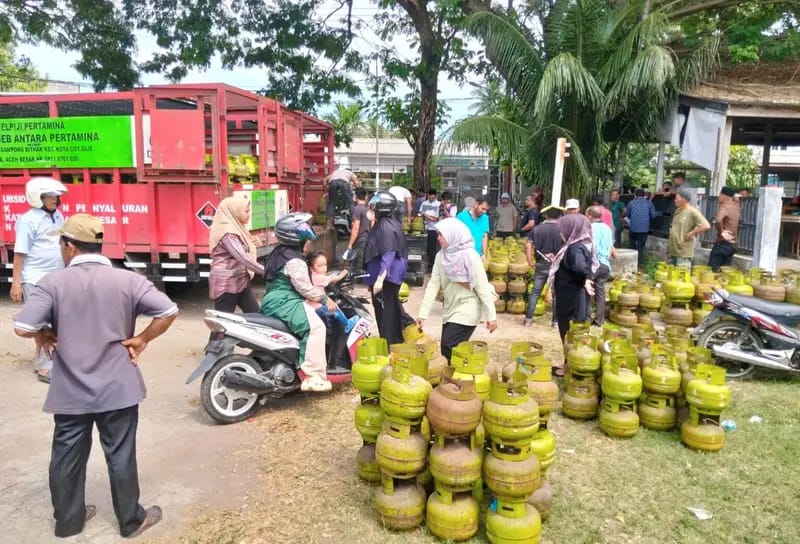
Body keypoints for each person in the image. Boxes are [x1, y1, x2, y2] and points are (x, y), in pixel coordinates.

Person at [13, 213, 178, 538]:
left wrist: (43, 334)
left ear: (70, 247)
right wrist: (142, 339)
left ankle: (68, 521)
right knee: (120, 454)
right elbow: (169, 310)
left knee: (66, 455)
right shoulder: (128, 280)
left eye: (61, 244)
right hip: (118, 388)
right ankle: (131, 521)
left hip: (70, 391)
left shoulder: (53, 283)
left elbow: (22, 326)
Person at [261, 213, 334, 392]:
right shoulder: (294, 260)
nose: (309, 243)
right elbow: (305, 288)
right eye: (306, 240)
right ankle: (313, 375)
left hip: (274, 300)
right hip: (285, 301)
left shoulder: (279, 252)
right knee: (316, 328)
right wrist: (325, 298)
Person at [11, 176, 69, 383]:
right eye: (51, 196)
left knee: (55, 321)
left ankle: (43, 358)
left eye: (56, 196)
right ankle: (45, 369)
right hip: (35, 279)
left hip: (56, 277)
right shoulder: (28, 220)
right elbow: (20, 253)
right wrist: (16, 283)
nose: (55, 200)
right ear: (38, 197)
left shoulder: (58, 216)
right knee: (42, 323)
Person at [417, 218, 497, 361]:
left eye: (441, 235)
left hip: (468, 307)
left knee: (449, 345)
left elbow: (483, 287)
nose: (438, 238)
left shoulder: (470, 256)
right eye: (437, 234)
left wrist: (491, 316)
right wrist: (423, 314)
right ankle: (458, 377)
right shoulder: (441, 256)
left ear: (452, 234)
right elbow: (433, 284)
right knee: (450, 349)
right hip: (450, 308)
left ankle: (462, 376)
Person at [364, 191, 409, 345]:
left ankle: (390, 344)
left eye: (373, 207)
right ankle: (394, 339)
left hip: (387, 279)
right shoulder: (385, 223)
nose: (370, 210)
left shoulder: (386, 227)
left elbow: (388, 253)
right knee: (392, 311)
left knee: (387, 315)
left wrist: (379, 280)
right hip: (386, 278)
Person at [208, 196, 264, 313]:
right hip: (226, 283)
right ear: (235, 211)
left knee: (255, 314)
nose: (249, 214)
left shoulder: (237, 227)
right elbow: (243, 258)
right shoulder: (227, 232)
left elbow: (244, 246)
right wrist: (266, 271)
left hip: (240, 280)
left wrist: (253, 241)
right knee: (223, 323)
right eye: (246, 211)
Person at [548, 214, 595, 346]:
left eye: (563, 229)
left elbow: (580, 268)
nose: (561, 232)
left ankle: (569, 364)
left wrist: (584, 280)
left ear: (572, 228)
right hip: (571, 297)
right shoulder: (577, 246)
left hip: (572, 300)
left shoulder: (575, 248)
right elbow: (573, 266)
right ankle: (567, 363)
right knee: (569, 335)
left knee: (570, 333)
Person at [523, 206, 563, 327]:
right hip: (557, 265)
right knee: (556, 294)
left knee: (535, 292)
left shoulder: (537, 229)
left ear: (546, 215)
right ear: (560, 216)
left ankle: (528, 320)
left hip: (541, 264)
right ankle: (555, 322)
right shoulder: (562, 229)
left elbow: (528, 246)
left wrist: (530, 261)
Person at [307, 252, 359, 333]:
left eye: (325, 265)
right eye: (320, 266)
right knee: (335, 308)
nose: (324, 268)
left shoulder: (311, 276)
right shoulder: (319, 277)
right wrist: (344, 273)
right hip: (318, 307)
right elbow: (336, 278)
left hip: (312, 307)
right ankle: (346, 323)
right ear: (311, 268)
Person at [667, 186, 710, 270]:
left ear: (684, 199)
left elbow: (706, 225)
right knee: (670, 279)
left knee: (681, 279)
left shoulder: (692, 211)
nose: (674, 200)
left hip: (683, 253)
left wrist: (692, 233)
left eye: (677, 198)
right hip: (672, 251)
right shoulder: (677, 211)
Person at [588, 206, 613, 326]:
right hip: (605, 264)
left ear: (590, 216)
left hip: (594, 264)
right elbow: (610, 248)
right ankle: (599, 320)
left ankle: (586, 317)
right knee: (600, 293)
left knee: (587, 290)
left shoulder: (590, 228)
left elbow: (589, 247)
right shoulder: (608, 229)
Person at [708, 186, 740, 272]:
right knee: (724, 273)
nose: (718, 197)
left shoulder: (725, 206)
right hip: (732, 245)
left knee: (712, 271)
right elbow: (737, 198)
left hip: (722, 244)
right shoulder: (736, 206)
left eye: (720, 195)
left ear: (724, 196)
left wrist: (722, 231)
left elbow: (718, 219)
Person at [626, 189, 656, 266]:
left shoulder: (631, 203)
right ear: (644, 195)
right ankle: (638, 264)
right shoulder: (649, 203)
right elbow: (654, 215)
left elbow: (627, 214)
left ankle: (631, 262)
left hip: (633, 228)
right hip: (644, 229)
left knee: (632, 246)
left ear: (635, 195)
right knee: (640, 247)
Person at [345, 187, 371, 273]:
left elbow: (355, 228)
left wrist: (350, 244)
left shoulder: (357, 209)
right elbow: (372, 224)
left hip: (360, 238)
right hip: (368, 237)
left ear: (355, 197)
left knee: (357, 263)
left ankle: (358, 278)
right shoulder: (368, 209)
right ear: (366, 197)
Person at [419, 189, 442, 273]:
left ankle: (432, 265)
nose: (431, 199)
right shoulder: (424, 204)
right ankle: (427, 263)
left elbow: (438, 218)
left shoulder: (438, 204)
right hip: (425, 228)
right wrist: (424, 216)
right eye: (429, 197)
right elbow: (420, 213)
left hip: (434, 228)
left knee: (433, 247)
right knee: (426, 247)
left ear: (435, 196)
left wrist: (429, 217)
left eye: (432, 197)